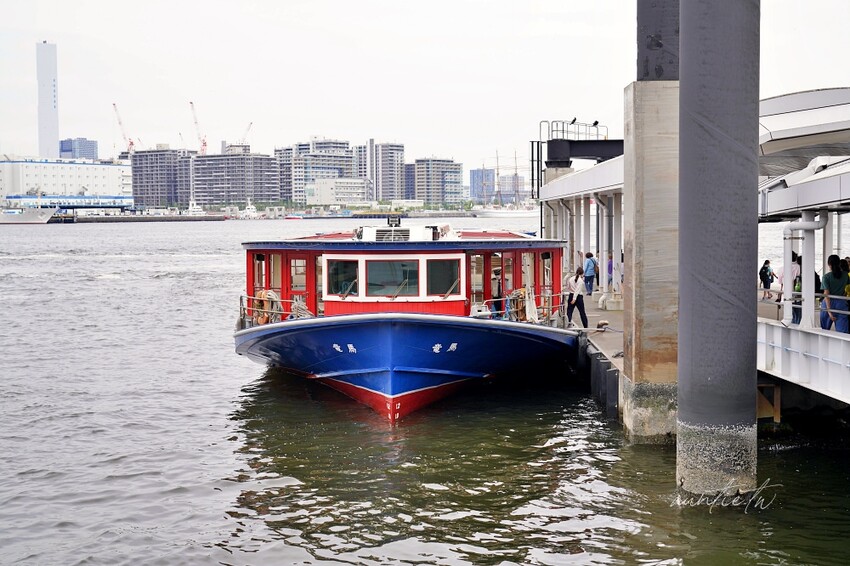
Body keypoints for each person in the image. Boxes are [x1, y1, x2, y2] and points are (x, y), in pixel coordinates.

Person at [820, 254, 850, 332]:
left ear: (829, 264)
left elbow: (826, 294)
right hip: (841, 303)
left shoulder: (826, 277)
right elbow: (846, 289)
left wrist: (829, 311)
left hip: (827, 304)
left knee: (824, 331)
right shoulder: (845, 275)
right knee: (842, 333)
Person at [791, 255, 820, 325]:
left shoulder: (800, 272)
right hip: (808, 297)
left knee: (796, 314)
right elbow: (818, 285)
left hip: (799, 297)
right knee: (799, 314)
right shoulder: (812, 272)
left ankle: (796, 327)